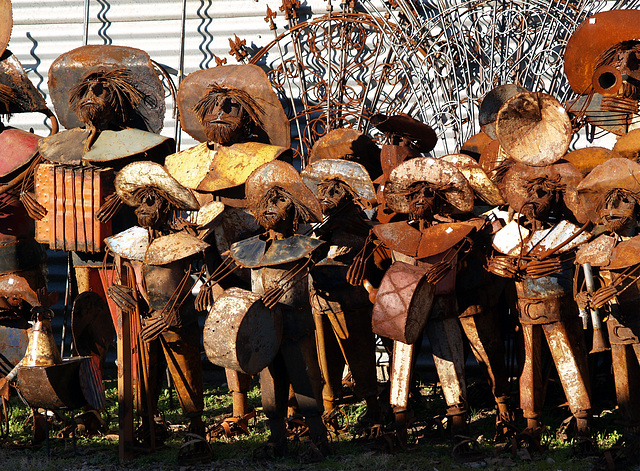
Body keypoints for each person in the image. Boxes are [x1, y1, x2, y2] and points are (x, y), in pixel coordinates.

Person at [105, 162, 208, 448]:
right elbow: (121, 274)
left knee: (185, 369)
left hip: (176, 320)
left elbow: (196, 276)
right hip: (146, 319)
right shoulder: (129, 242)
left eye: (151, 202)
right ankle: (148, 423)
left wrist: (174, 313)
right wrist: (119, 291)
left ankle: (196, 429)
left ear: (166, 205)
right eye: (139, 204)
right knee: (145, 375)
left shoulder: (184, 240)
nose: (143, 209)